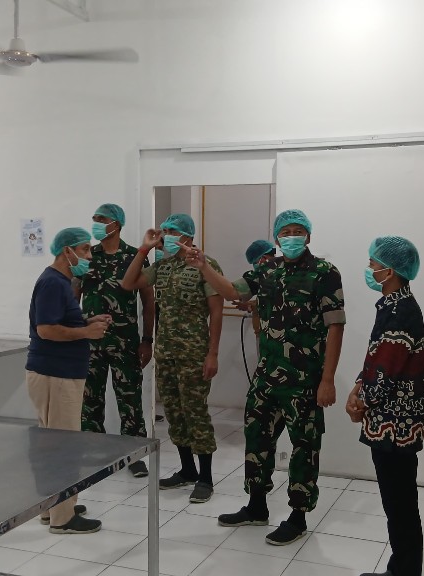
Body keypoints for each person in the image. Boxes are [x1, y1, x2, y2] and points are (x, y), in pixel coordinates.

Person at [186, 209, 345, 546]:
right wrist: (204, 267)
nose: (291, 237)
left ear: (308, 236)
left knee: (304, 448)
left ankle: (298, 516)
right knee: (257, 440)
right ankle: (256, 506)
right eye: (285, 232)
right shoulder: (267, 268)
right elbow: (233, 292)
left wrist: (328, 379)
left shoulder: (324, 273)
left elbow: (335, 325)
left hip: (304, 380)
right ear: (276, 238)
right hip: (266, 378)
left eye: (298, 231)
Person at [121, 213, 224, 503]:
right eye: (164, 231)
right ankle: (187, 469)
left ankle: (205, 478)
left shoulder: (205, 264)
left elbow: (216, 312)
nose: (166, 236)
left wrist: (213, 354)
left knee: (195, 412)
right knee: (175, 413)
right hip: (167, 353)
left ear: (188, 236)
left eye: (172, 231)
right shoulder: (162, 266)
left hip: (194, 353)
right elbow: (128, 283)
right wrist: (144, 249)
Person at [346, 236, 424, 576]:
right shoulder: (392, 305)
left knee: (400, 503)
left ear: (390, 270)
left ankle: (404, 571)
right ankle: (401, 568)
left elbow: (387, 370)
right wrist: (358, 385)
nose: (369, 269)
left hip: (395, 425)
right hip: (391, 421)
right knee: (397, 502)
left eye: (373, 263)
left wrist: (360, 402)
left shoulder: (400, 311)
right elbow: (377, 358)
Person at [26, 227, 109, 534]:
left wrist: (87, 322)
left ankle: (55, 507)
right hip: (55, 374)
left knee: (53, 444)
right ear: (67, 251)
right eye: (85, 249)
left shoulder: (61, 282)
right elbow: (46, 330)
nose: (89, 256)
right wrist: (86, 332)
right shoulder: (52, 282)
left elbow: (59, 322)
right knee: (63, 447)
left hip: (60, 373)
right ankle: (62, 518)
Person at [77, 203, 155, 478]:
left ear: (117, 224)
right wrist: (75, 334)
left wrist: (147, 340)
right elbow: (74, 298)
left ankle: (135, 454)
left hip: (125, 342)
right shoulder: (87, 256)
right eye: (95, 218)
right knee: (90, 400)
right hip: (90, 343)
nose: (97, 223)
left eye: (102, 219)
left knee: (130, 399)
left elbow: (149, 302)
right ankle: (92, 450)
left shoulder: (134, 256)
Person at [235, 239, 276, 350]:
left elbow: (278, 305)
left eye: (255, 262)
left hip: (274, 335)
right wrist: (253, 304)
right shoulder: (266, 277)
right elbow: (268, 300)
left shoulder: (276, 276)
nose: (255, 266)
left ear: (264, 258)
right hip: (264, 333)